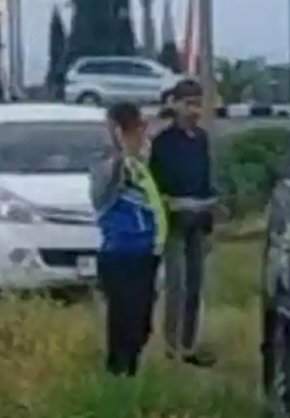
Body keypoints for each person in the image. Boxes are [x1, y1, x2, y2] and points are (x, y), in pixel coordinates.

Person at [89, 102, 168, 376]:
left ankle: (130, 371)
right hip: (121, 254)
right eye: (137, 130)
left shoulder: (138, 166)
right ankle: (117, 373)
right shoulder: (108, 167)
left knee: (142, 322)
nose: (143, 137)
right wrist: (120, 139)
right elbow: (110, 178)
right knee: (125, 321)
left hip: (146, 253)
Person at [148, 78, 218, 367]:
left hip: (198, 220)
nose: (194, 110)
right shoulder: (163, 143)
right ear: (174, 104)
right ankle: (171, 346)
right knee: (176, 284)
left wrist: (210, 217)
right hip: (174, 221)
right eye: (188, 103)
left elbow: (205, 180)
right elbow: (156, 185)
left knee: (195, 285)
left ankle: (189, 346)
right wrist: (169, 204)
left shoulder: (201, 139)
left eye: (198, 104)